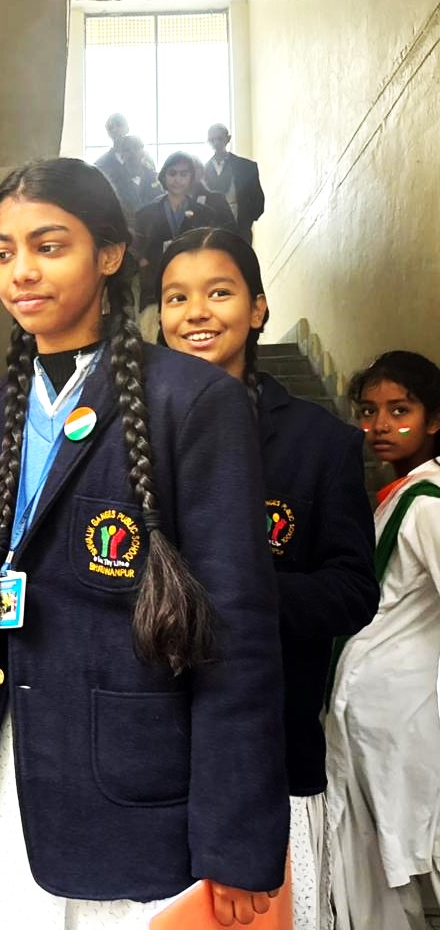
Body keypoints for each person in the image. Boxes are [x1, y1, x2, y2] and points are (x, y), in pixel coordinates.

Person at [0, 158, 288, 929]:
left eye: (49, 246)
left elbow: (238, 634)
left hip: (130, 791)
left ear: (111, 254)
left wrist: (235, 843)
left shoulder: (192, 402)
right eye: (3, 252)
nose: (21, 271)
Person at [157, 227, 379, 930]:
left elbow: (352, 590)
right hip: (145, 751)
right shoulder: (124, 433)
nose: (196, 312)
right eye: (176, 297)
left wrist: (236, 595)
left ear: (257, 308)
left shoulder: (321, 443)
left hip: (271, 748)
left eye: (219, 292)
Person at [326, 350, 440, 930]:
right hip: (372, 714)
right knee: (385, 855)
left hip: (405, 713)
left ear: (434, 419)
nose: (380, 425)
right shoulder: (399, 494)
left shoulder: (429, 505)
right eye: (369, 411)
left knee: (414, 848)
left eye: (400, 411)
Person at [133, 152, 216, 338]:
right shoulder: (145, 214)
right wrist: (144, 261)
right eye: (172, 173)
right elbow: (136, 249)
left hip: (194, 284)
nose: (177, 179)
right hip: (154, 287)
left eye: (184, 174)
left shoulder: (205, 214)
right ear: (163, 176)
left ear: (191, 178)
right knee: (151, 338)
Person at [204, 124, 265, 244]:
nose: (216, 143)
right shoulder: (202, 171)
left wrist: (247, 220)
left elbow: (257, 197)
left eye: (219, 138)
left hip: (241, 226)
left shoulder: (247, 167)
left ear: (228, 139)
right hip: (213, 229)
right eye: (212, 140)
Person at [98, 134, 161, 228]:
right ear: (121, 155)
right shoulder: (112, 180)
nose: (132, 152)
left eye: (136, 148)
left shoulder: (156, 178)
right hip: (123, 228)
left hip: (152, 228)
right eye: (127, 149)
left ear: (143, 153)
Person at [189, 156, 235, 231]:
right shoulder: (171, 201)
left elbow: (230, 230)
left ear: (202, 172)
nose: (190, 173)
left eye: (194, 168)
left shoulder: (217, 199)